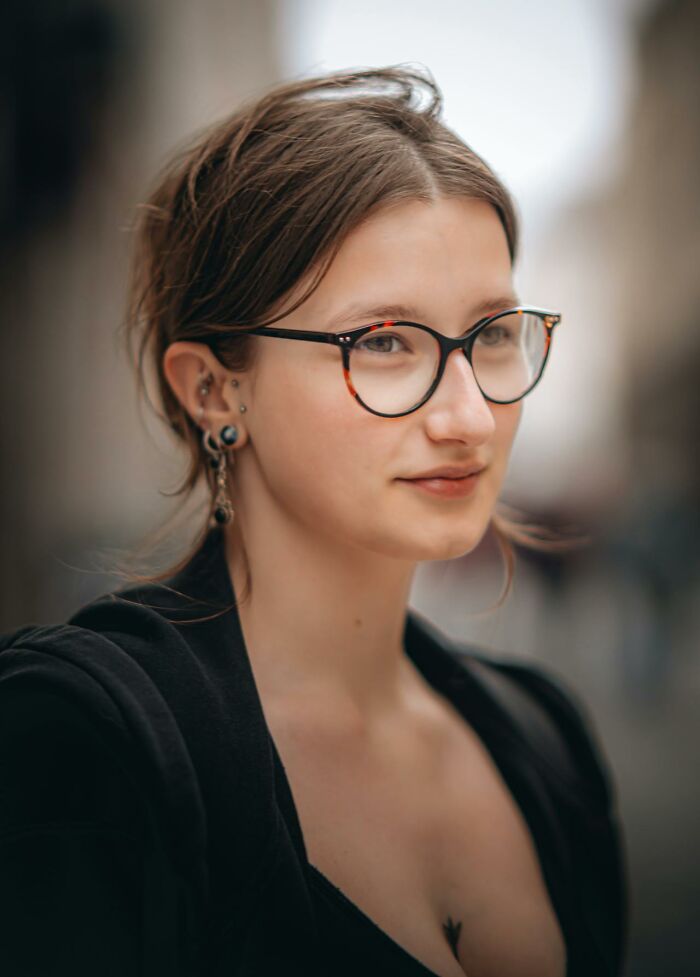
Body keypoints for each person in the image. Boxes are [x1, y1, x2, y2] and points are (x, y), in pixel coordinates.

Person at [0, 67, 628, 976]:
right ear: (216, 388)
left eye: (492, 333)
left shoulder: (544, 734)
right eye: (381, 341)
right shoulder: (83, 742)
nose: (469, 416)